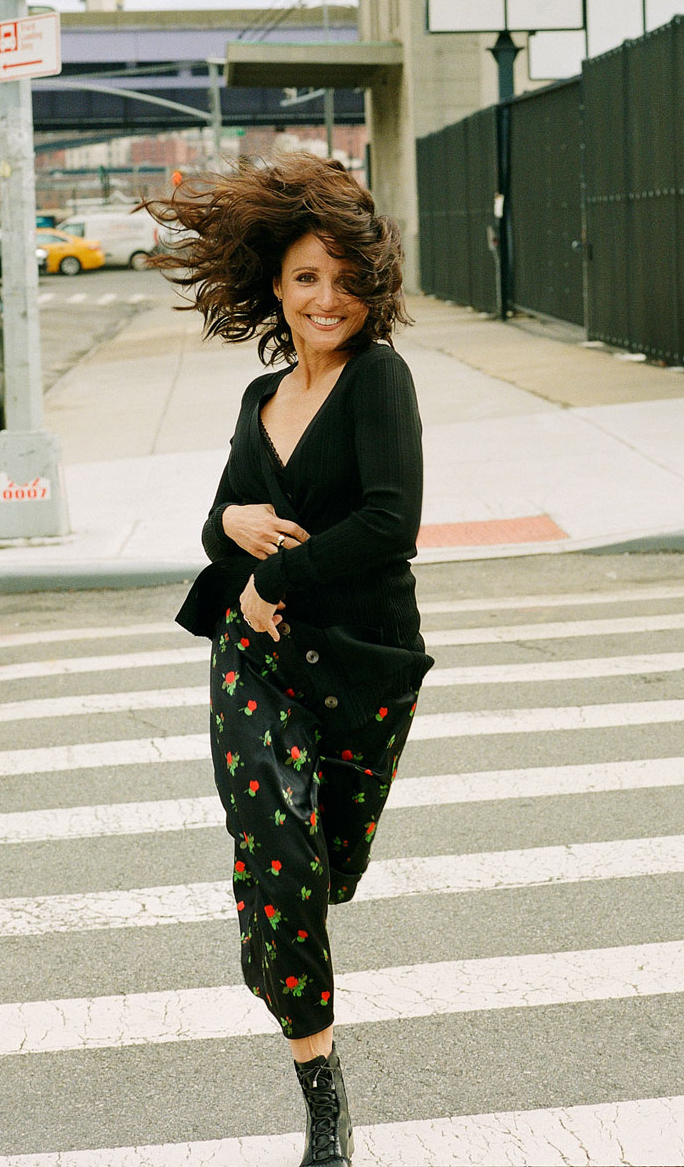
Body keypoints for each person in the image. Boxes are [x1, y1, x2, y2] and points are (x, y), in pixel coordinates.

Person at [146, 153, 432, 1167]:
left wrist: (275, 576)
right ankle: (324, 1098)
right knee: (282, 854)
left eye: (346, 279)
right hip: (255, 661)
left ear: (371, 286)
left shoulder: (378, 380)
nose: (326, 298)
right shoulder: (261, 397)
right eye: (307, 277)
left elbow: (391, 523)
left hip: (360, 662)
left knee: (323, 871)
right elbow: (219, 528)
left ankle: (278, 920)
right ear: (276, 283)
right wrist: (231, 525)